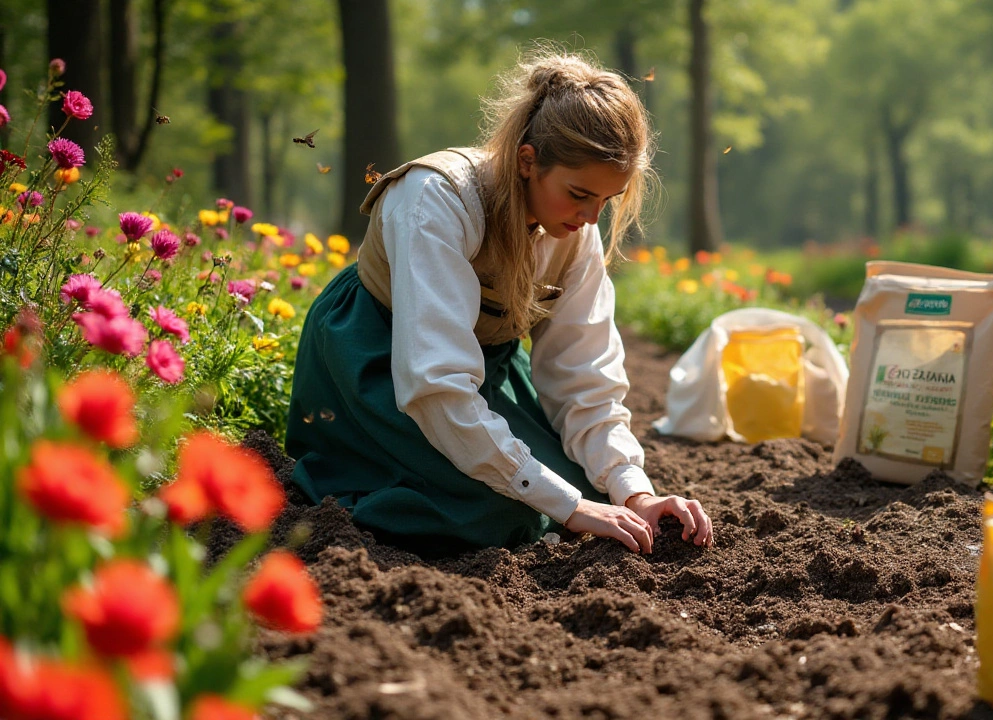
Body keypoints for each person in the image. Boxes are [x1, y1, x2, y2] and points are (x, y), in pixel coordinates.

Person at [285, 51, 712, 559]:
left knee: (591, 495)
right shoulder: (433, 200)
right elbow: (435, 382)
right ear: (527, 161)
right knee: (506, 510)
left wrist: (634, 491)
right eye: (579, 194)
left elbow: (584, 377)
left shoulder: (577, 229)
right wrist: (567, 506)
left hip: (488, 369)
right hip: (379, 358)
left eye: (607, 200)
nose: (591, 216)